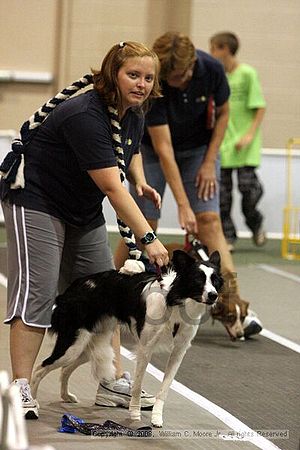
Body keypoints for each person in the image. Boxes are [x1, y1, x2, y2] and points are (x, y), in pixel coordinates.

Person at [0, 41, 169, 419]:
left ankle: (112, 382)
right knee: (37, 293)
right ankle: (20, 386)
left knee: (105, 290)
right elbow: (111, 186)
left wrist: (140, 180)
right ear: (113, 74)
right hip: (37, 200)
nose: (141, 84)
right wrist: (149, 238)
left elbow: (130, 149)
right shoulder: (85, 114)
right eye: (133, 75)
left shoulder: (134, 111)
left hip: (82, 206)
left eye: (148, 77)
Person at [114, 31, 262, 339]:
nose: (175, 82)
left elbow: (223, 114)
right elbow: (164, 148)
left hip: (199, 150)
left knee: (209, 220)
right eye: (170, 78)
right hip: (153, 151)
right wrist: (182, 204)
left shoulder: (212, 69)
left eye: (180, 76)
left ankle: (234, 306)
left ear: (193, 64)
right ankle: (111, 295)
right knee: (143, 223)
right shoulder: (159, 80)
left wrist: (209, 161)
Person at [210, 32, 267, 252]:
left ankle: (255, 222)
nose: (213, 53)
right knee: (223, 197)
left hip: (245, 146)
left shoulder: (247, 74)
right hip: (224, 145)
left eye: (215, 48)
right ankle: (229, 236)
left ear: (225, 49)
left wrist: (249, 135)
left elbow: (260, 107)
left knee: (248, 190)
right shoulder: (218, 76)